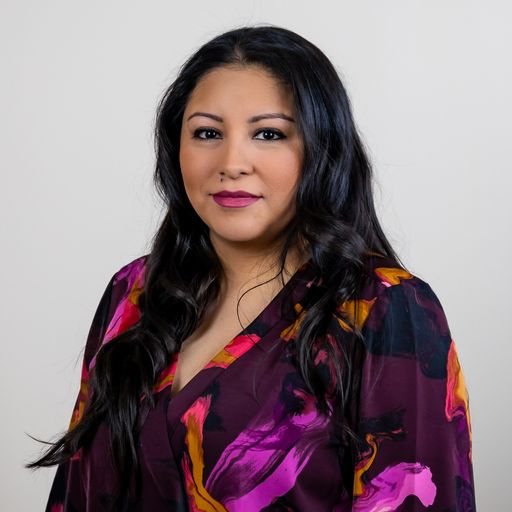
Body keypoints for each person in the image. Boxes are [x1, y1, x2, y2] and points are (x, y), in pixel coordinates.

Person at [27, 25, 476, 511]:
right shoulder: (134, 291)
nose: (232, 162)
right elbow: (76, 493)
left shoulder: (385, 309)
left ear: (322, 149)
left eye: (268, 134)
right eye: (207, 133)